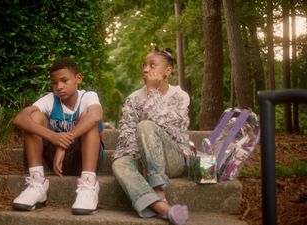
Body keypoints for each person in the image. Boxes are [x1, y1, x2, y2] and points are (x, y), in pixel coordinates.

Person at [12, 57, 104, 215]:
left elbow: (96, 115)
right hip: (55, 160)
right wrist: (53, 137)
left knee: (87, 118)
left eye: (64, 80)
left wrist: (64, 143)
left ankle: (89, 184)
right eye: (54, 83)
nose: (59, 87)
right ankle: (37, 183)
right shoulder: (50, 99)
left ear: (78, 79)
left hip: (84, 158)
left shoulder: (88, 96)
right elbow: (20, 118)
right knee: (34, 117)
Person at [111, 47, 190, 225]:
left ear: (167, 71)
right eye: (144, 65)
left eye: (152, 65)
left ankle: (158, 188)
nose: (146, 69)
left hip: (172, 159)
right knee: (119, 162)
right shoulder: (133, 98)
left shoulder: (180, 96)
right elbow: (126, 135)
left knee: (146, 125)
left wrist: (152, 93)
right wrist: (141, 158)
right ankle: (163, 208)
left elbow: (173, 131)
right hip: (142, 161)